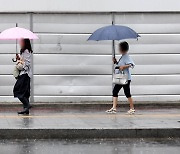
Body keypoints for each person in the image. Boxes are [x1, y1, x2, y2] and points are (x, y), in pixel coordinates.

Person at [106, 41, 135, 114]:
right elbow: (120, 65)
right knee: (115, 91)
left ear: (122, 48)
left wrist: (124, 66)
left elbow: (132, 65)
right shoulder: (123, 56)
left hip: (125, 78)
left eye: (119, 47)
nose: (118, 49)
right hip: (121, 78)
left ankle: (132, 108)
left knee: (127, 93)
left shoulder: (126, 56)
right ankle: (114, 108)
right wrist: (116, 62)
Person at [13, 39, 33, 115]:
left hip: (25, 74)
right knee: (25, 92)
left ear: (25, 42)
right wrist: (18, 59)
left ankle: (27, 105)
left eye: (21, 41)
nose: (20, 43)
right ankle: (26, 109)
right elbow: (23, 61)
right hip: (24, 74)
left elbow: (27, 64)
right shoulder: (23, 51)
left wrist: (20, 63)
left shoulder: (26, 51)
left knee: (17, 90)